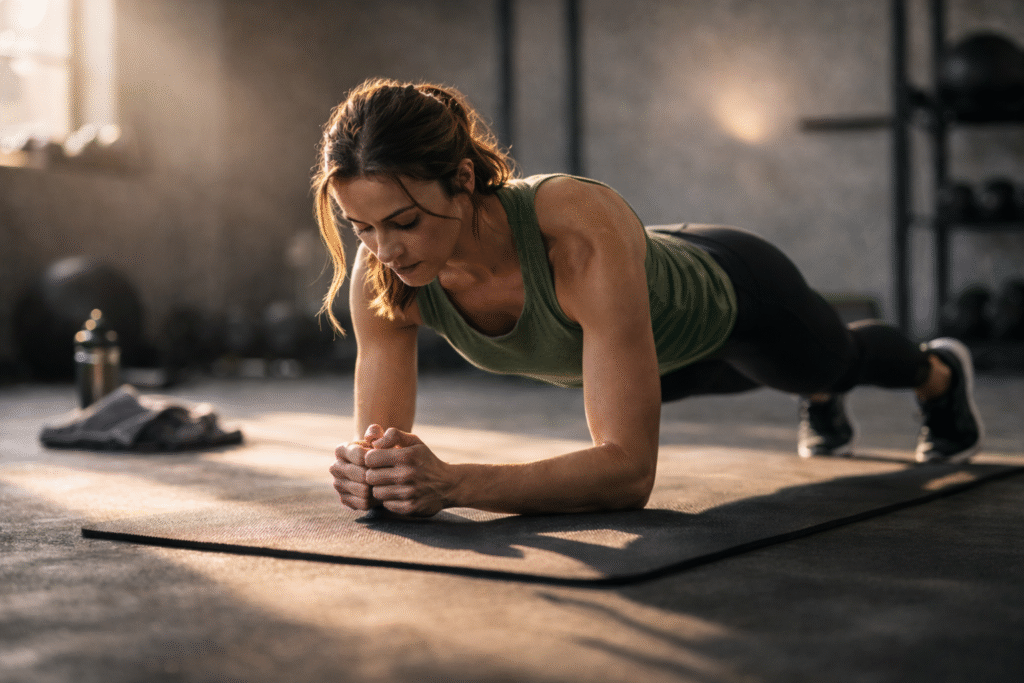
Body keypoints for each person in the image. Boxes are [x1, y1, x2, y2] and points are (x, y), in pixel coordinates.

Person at [313, 78, 983, 518]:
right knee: (734, 379)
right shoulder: (383, 282)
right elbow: (379, 444)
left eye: (403, 222)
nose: (384, 250)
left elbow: (628, 474)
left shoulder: (571, 231)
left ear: (462, 177)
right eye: (361, 227)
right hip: (660, 353)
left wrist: (453, 483)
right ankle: (810, 392)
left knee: (828, 364)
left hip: (737, 294)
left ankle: (938, 372)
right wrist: (372, 475)